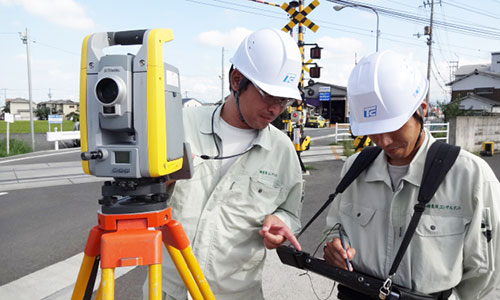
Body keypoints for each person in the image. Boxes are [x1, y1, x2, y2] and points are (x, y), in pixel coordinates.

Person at [323, 50, 500, 299]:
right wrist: (335, 248)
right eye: (373, 130)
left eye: (393, 126)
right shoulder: (355, 168)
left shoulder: (469, 175)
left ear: (422, 110)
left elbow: (488, 276)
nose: (384, 141)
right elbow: (335, 228)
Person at [145, 28, 304, 300]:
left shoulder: (282, 150)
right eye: (268, 95)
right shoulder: (179, 126)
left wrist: (280, 220)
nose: (276, 109)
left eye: (284, 100)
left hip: (237, 294)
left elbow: (290, 211)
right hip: (168, 291)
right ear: (236, 79)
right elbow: (133, 196)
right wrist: (159, 182)